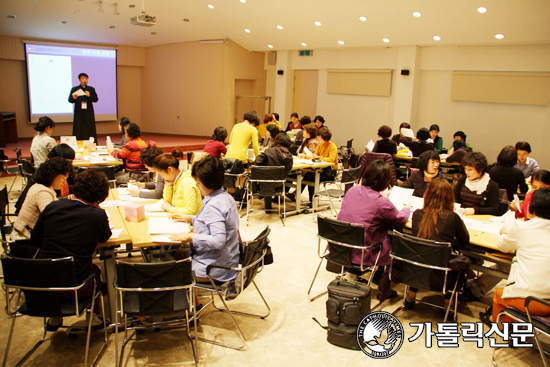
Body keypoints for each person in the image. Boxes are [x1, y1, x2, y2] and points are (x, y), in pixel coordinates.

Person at [31, 169, 111, 331]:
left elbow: (35, 239)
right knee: (94, 270)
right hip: (76, 288)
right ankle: (93, 318)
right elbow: (104, 237)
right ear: (102, 195)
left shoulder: (53, 207)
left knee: (59, 268)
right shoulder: (97, 215)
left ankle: (55, 316)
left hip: (41, 282)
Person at [338, 160, 411, 301]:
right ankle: (383, 285)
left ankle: (355, 274)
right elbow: (399, 220)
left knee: (369, 231)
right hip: (363, 251)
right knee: (395, 240)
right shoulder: (381, 202)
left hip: (341, 246)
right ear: (385, 181)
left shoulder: (352, 190)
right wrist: (406, 208)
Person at [479, 188, 550, 327]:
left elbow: (503, 245)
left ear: (530, 208)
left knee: (500, 294)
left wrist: (505, 233)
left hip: (534, 301)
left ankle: (501, 326)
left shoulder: (523, 228)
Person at [169, 156, 240, 283]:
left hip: (216, 268)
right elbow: (213, 221)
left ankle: (195, 302)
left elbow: (218, 241)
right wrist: (190, 218)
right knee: (179, 254)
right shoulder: (225, 197)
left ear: (209, 183)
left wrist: (190, 236)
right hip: (227, 260)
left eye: (198, 183)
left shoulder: (214, 205)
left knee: (172, 270)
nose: (197, 186)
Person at [405, 178, 470, 309]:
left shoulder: (417, 214)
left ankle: (410, 295)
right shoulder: (452, 217)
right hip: (443, 275)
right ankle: (448, 302)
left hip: (416, 270)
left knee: (422, 250)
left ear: (427, 195)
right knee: (457, 259)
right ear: (450, 198)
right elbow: (465, 240)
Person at [12, 157, 72, 241]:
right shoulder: (42, 192)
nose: (64, 182)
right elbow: (53, 219)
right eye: (63, 178)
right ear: (53, 175)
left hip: (29, 236)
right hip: (24, 240)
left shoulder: (43, 186)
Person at [254, 133, 293, 210]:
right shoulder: (289, 156)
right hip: (280, 183)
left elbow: (257, 162)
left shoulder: (269, 151)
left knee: (265, 177)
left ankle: (266, 205)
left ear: (278, 142)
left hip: (266, 184)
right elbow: (289, 169)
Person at [301, 127, 338, 207]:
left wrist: (319, 157)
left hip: (330, 172)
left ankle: (312, 201)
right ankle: (300, 195)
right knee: (308, 175)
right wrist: (306, 156)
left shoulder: (332, 146)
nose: (318, 140)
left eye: (319, 139)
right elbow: (314, 156)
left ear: (325, 138)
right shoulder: (320, 145)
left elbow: (331, 160)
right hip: (320, 169)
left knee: (313, 178)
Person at [68, 72, 98, 141]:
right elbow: (69, 100)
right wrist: (74, 98)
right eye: (83, 78)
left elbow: (96, 99)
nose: (85, 80)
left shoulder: (91, 89)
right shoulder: (74, 89)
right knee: (78, 129)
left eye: (86, 78)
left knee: (90, 129)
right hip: (79, 113)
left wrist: (89, 95)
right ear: (79, 80)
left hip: (88, 113)